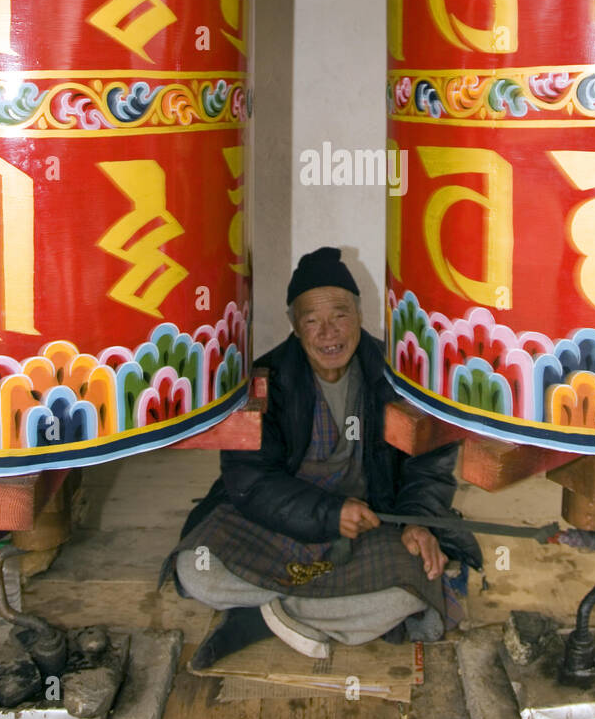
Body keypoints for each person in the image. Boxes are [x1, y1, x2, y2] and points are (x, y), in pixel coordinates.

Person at [159, 247, 481, 674]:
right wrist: (329, 513)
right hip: (284, 522)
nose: (329, 333)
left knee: (415, 585)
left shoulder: (396, 373)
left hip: (373, 522)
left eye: (340, 315)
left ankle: (258, 618)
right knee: (195, 566)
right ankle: (316, 616)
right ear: (295, 325)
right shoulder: (266, 379)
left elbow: (429, 461)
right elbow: (248, 481)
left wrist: (418, 521)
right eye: (312, 320)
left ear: (360, 314)